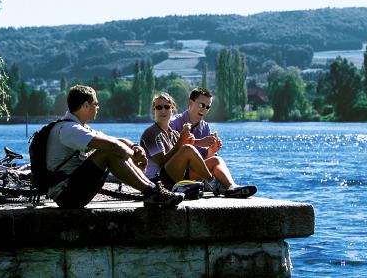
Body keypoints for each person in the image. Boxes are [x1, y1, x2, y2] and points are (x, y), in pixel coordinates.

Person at [45, 85, 184, 209]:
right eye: (96, 104)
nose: (98, 108)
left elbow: (114, 139)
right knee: (108, 152)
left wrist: (135, 147)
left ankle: (153, 192)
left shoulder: (79, 127)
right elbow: (112, 145)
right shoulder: (70, 129)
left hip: (74, 188)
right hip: (66, 195)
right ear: (86, 106)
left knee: (111, 148)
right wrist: (134, 155)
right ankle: (152, 192)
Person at [170, 87, 257, 198]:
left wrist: (211, 151)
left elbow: (206, 163)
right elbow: (170, 152)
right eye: (201, 105)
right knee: (215, 160)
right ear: (190, 103)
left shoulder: (205, 127)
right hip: (176, 173)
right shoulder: (174, 123)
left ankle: (232, 187)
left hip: (195, 175)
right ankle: (224, 187)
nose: (204, 110)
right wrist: (199, 142)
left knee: (216, 159)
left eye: (208, 107)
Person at [139, 92, 218, 191]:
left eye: (167, 107)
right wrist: (181, 141)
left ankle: (220, 185)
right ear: (154, 110)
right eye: (159, 107)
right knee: (188, 149)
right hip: (154, 182)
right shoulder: (151, 134)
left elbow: (185, 157)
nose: (163, 110)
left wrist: (210, 151)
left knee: (215, 160)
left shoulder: (173, 133)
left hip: (170, 178)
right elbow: (162, 162)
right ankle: (212, 183)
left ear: (172, 109)